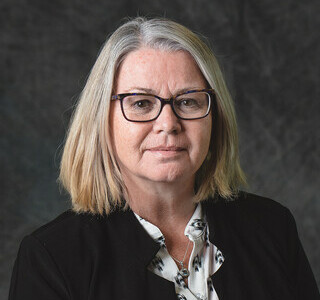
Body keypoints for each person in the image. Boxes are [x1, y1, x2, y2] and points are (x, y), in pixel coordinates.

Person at [9, 17, 319, 300]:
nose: (168, 123)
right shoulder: (52, 258)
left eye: (188, 101)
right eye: (141, 103)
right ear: (102, 120)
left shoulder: (272, 227)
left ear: (215, 117)